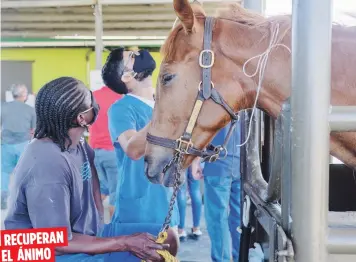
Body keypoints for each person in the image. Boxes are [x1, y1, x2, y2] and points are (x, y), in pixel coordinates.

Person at [4, 77, 178, 262]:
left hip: (81, 234)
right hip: (45, 250)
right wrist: (124, 242)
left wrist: (100, 230)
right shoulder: (46, 163)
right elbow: (57, 242)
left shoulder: (78, 144)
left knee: (168, 239)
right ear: (81, 118)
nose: (95, 102)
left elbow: (93, 186)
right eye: (89, 100)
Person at [101, 47, 179, 228]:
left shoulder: (163, 103)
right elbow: (132, 149)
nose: (138, 53)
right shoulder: (121, 108)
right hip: (140, 209)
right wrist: (164, 112)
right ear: (127, 76)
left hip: (166, 203)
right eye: (132, 56)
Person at [203, 122, 242, 262]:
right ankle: (240, 256)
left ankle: (222, 259)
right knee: (239, 217)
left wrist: (195, 160)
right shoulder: (248, 101)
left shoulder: (214, 99)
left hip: (217, 164)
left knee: (217, 218)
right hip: (242, 165)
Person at [1, 83, 36, 209]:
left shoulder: (3, 107)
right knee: (25, 173)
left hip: (6, 145)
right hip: (23, 145)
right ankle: (24, 200)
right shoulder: (30, 110)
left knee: (4, 172)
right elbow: (34, 130)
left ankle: (3, 196)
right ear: (24, 95)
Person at [89, 85, 122, 219]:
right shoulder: (120, 98)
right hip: (112, 152)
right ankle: (114, 229)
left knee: (101, 190)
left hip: (94, 151)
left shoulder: (92, 96)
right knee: (115, 193)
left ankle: (97, 224)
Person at [177, 164, 203, 242]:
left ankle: (180, 230)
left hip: (182, 157)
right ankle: (196, 228)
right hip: (195, 156)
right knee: (195, 190)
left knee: (181, 191)